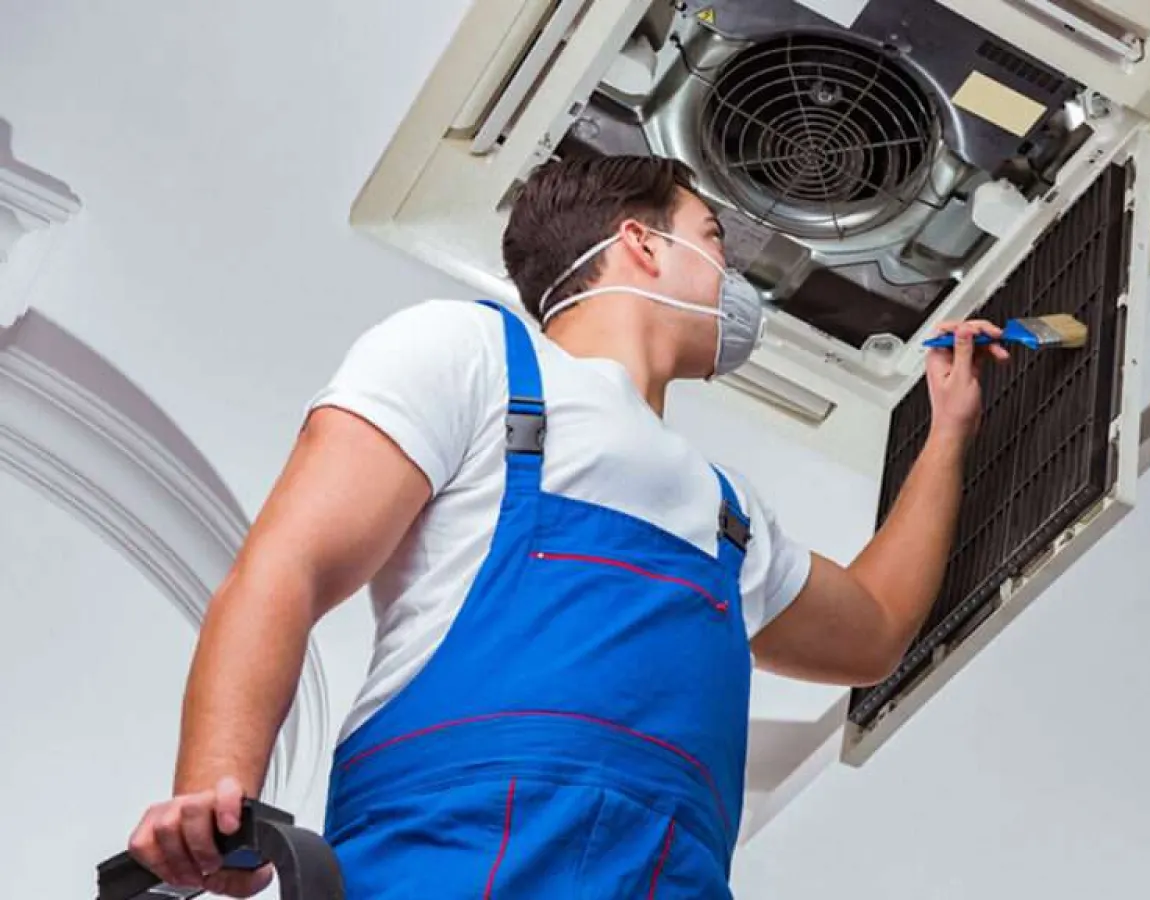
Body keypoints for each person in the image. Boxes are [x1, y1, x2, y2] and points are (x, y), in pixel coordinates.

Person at [126, 154, 1008, 898]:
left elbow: (875, 632)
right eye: (712, 241)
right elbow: (288, 567)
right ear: (639, 242)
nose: (733, 284)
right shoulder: (470, 354)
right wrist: (216, 793)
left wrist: (948, 433)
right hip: (451, 848)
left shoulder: (730, 514)